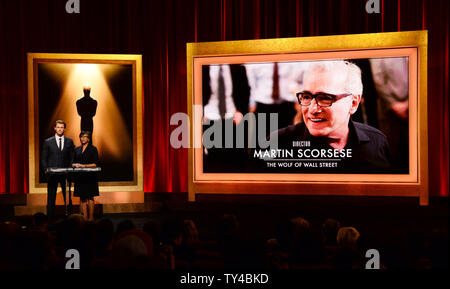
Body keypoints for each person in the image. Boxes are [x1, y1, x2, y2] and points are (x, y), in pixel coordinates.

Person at [255, 60, 392, 173]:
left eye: (325, 98)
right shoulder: (274, 147)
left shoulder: (377, 142)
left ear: (354, 103)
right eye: (307, 97)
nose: (312, 109)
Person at [41, 120, 75, 219]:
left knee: (67, 198)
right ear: (55, 128)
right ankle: (50, 219)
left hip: (65, 174)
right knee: (51, 197)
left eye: (62, 127)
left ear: (64, 128)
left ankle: (71, 219)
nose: (60, 129)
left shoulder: (69, 141)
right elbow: (44, 158)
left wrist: (70, 169)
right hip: (52, 174)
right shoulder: (48, 142)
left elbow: (72, 157)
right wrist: (46, 171)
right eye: (58, 127)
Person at [72, 131, 99, 222]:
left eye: (85, 137)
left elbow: (95, 164)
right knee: (82, 197)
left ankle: (91, 217)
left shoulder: (93, 149)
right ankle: (85, 217)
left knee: (90, 197)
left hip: (90, 176)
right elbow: (73, 161)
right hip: (80, 176)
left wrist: (84, 166)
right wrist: (74, 164)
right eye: (81, 137)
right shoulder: (77, 149)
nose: (83, 138)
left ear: (89, 139)